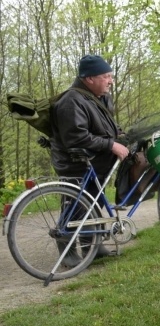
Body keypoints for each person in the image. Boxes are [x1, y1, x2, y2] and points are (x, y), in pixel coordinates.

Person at [50, 54, 130, 264]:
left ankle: (92, 246)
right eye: (106, 76)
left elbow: (106, 125)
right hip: (75, 163)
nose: (111, 80)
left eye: (111, 76)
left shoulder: (99, 97)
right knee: (75, 207)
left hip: (95, 161)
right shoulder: (71, 101)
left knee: (92, 204)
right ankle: (67, 249)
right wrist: (111, 145)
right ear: (89, 78)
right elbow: (76, 137)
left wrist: (119, 136)